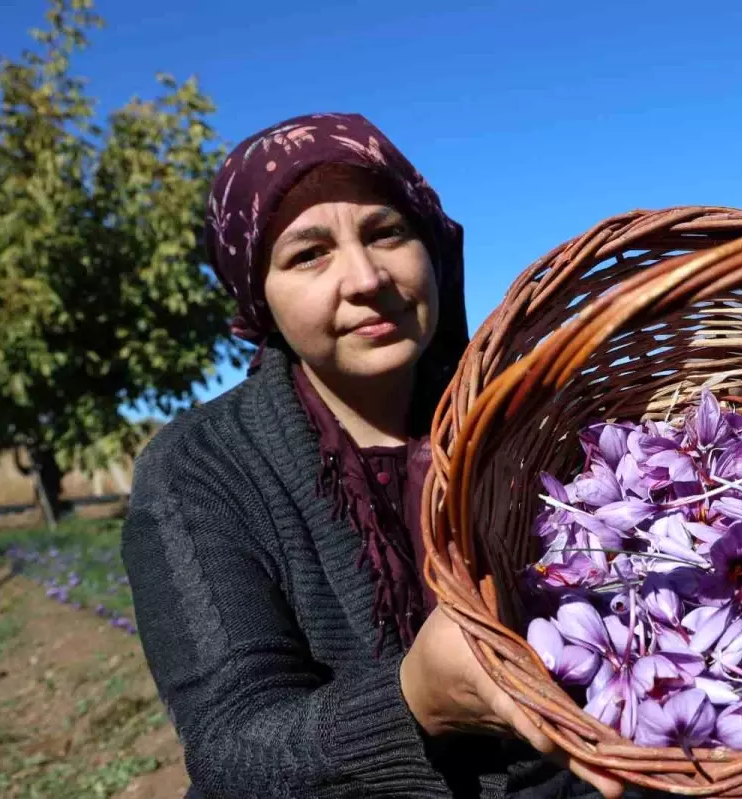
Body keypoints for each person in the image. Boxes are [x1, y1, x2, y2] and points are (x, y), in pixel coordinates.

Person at [121, 113, 625, 799]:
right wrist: (413, 699)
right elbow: (233, 751)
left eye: (387, 232)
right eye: (308, 254)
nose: (364, 277)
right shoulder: (199, 468)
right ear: (258, 296)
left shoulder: (529, 420)